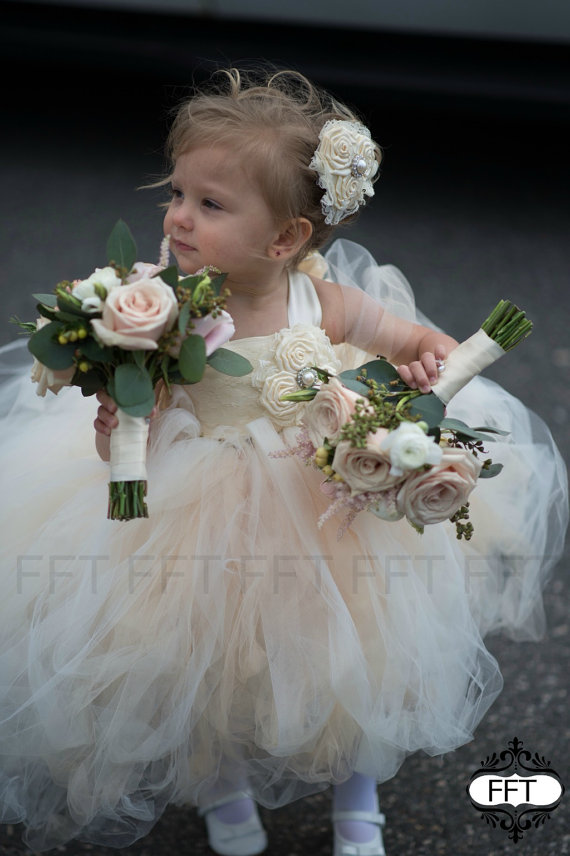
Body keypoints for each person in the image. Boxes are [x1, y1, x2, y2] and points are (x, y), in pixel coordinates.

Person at [0, 68, 567, 856]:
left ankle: (357, 794)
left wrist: (427, 368)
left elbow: (416, 344)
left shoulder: (320, 302)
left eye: (210, 204)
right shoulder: (160, 312)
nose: (179, 218)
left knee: (352, 653)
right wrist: (113, 420)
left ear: (286, 238)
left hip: (327, 503)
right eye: (177, 195)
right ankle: (223, 790)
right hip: (196, 514)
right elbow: (129, 439)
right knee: (204, 662)